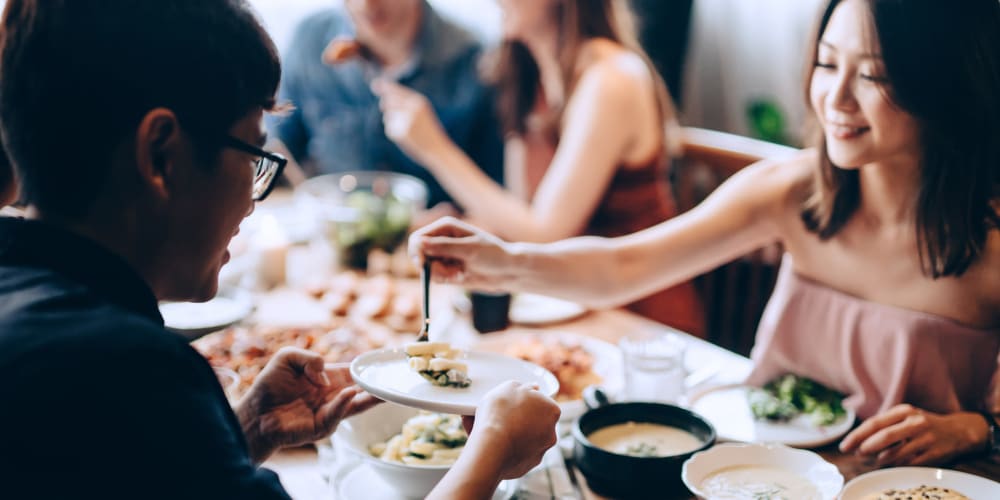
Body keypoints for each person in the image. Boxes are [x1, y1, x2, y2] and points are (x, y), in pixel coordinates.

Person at [0, 1, 559, 499]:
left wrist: (242, 436)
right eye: (253, 153)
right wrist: (491, 450)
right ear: (161, 155)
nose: (252, 201)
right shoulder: (132, 375)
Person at [410, 0, 1000, 466]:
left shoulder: (991, 238)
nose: (836, 98)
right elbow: (627, 266)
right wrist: (505, 261)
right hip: (759, 472)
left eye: (874, 74)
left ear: (942, 83)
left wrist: (978, 427)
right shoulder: (791, 190)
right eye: (825, 62)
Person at [374, 0, 704, 336]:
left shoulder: (611, 79)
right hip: (569, 301)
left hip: (639, 319)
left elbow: (546, 233)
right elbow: (522, 215)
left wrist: (435, 149)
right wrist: (460, 228)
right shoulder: (527, 72)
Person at [268, 0, 504, 209]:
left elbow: (500, 202)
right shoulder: (310, 42)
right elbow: (277, 153)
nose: (366, 5)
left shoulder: (475, 64)